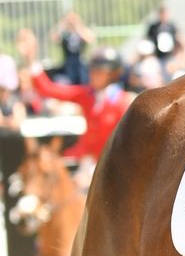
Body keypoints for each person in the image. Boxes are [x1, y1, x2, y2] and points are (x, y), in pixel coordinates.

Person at [22, 47, 132, 187]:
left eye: (98, 71)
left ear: (112, 74)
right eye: (92, 70)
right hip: (85, 160)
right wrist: (31, 60)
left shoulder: (123, 102)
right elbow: (49, 89)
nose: (92, 74)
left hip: (111, 164)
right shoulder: (86, 95)